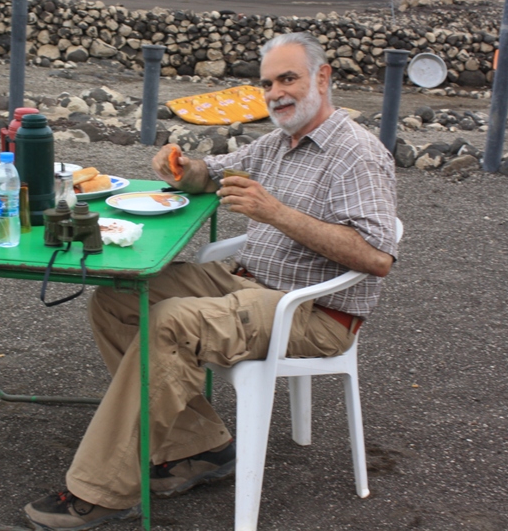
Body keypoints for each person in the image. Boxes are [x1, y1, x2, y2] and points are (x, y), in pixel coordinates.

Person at [23, 32, 398, 530]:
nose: (276, 92)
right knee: (117, 297)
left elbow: (376, 257)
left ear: (323, 78)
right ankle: (199, 449)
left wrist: (277, 213)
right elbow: (212, 174)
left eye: (288, 78)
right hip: (247, 282)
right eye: (268, 83)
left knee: (171, 322)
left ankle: (100, 489)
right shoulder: (281, 141)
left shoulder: (356, 154)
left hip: (309, 312)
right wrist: (181, 167)